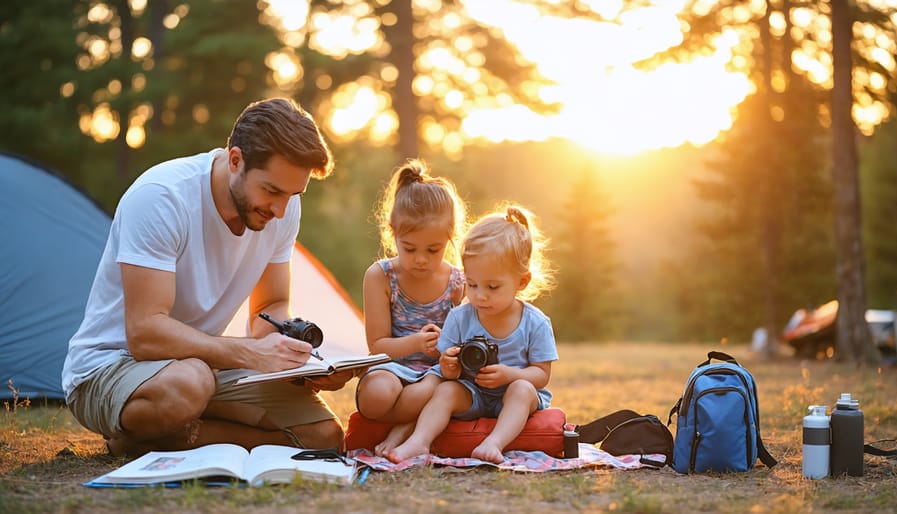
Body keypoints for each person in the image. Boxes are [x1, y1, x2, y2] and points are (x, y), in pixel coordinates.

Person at [61, 98, 353, 457]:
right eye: (272, 191)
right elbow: (145, 333)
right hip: (111, 366)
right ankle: (171, 427)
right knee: (190, 384)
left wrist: (297, 364)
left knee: (323, 435)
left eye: (293, 195)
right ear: (235, 160)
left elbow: (270, 307)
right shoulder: (162, 198)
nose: (280, 210)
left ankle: (157, 439)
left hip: (203, 365)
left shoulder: (283, 207)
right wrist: (248, 353)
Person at [388, 204, 557, 464]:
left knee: (522, 389)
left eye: (492, 286)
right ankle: (419, 441)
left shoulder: (535, 322)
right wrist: (449, 365)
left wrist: (510, 375)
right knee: (446, 391)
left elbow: (541, 375)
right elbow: (447, 371)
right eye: (472, 284)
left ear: (522, 282)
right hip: (472, 392)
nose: (479, 295)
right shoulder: (460, 316)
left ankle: (493, 443)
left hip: (513, 396)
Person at [355, 159, 467, 456]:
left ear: (449, 238)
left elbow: (464, 341)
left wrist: (445, 350)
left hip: (436, 373)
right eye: (409, 248)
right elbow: (377, 345)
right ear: (393, 234)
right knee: (375, 397)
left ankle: (403, 426)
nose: (420, 259)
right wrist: (416, 343)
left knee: (440, 389)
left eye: (433, 250)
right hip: (391, 365)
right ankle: (412, 418)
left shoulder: (458, 282)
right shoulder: (381, 276)